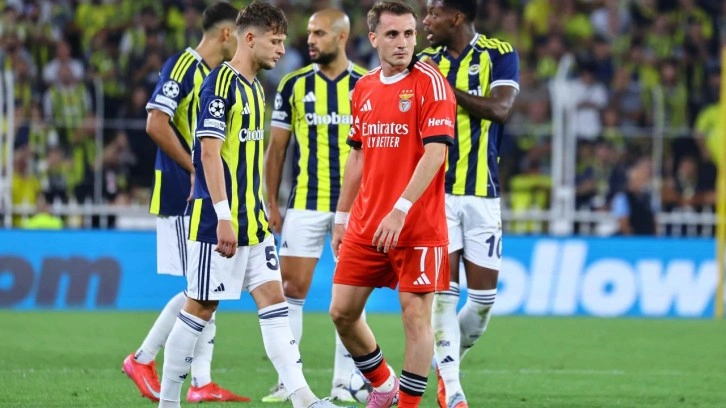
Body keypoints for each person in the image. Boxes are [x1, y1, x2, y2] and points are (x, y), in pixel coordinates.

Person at [157, 2, 344, 408]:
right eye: (275, 41)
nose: (282, 50)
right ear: (250, 38)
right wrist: (224, 217)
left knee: (275, 302)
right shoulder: (219, 84)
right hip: (217, 224)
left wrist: (258, 210)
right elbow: (209, 153)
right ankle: (168, 402)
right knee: (199, 308)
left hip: (254, 223)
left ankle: (303, 398)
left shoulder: (256, 88)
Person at [329, 1, 457, 407]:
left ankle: (407, 405)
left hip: (417, 224)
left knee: (415, 318)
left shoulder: (431, 83)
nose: (403, 43)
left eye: (409, 34)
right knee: (342, 313)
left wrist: (401, 208)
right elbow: (357, 155)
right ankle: (384, 387)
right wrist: (341, 217)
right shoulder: (364, 88)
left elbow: (436, 153)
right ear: (373, 39)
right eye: (392, 35)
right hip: (368, 223)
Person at [121, 2, 248, 403]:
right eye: (239, 35)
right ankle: (143, 359)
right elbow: (155, 122)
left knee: (207, 288)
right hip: (182, 191)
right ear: (226, 34)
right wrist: (193, 169)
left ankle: (200, 381)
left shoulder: (217, 76)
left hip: (204, 193)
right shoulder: (183, 66)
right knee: (200, 289)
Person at [263, 9, 368, 403]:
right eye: (309, 32)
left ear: (341, 37)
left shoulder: (366, 85)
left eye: (319, 33)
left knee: (350, 296)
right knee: (290, 289)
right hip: (305, 202)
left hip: (354, 208)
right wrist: (271, 202)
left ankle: (345, 382)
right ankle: (289, 381)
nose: (310, 40)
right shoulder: (293, 85)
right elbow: (276, 148)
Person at [420, 1, 520, 407]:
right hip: (437, 195)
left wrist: (445, 88)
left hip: (483, 195)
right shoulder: (424, 61)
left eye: (433, 13)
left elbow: (501, 109)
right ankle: (452, 388)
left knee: (481, 307)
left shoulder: (499, 53)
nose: (425, 21)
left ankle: (445, 363)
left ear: (456, 17)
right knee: (444, 295)